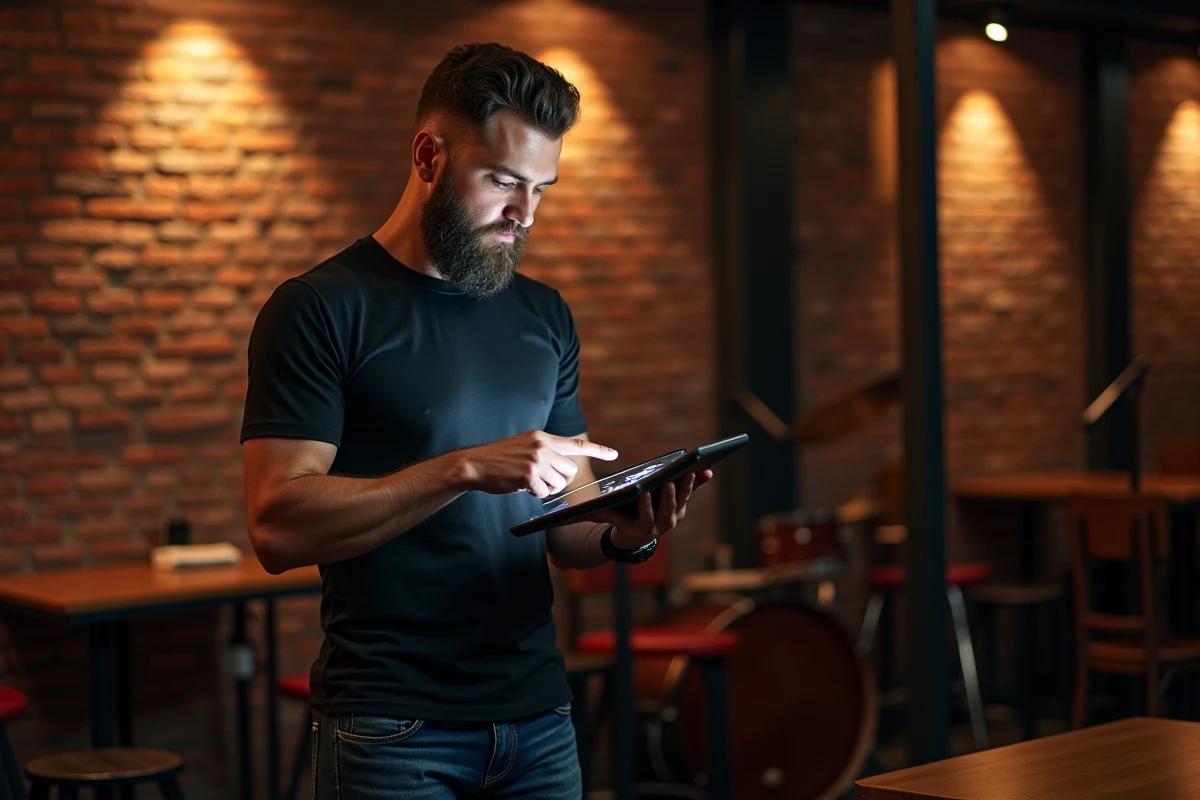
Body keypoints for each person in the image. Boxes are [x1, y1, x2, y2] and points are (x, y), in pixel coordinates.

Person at [240, 42, 712, 799]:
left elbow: (566, 524)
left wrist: (624, 532)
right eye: (503, 181)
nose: (525, 214)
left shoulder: (543, 314)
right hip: (391, 729)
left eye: (542, 188)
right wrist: (464, 466)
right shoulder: (320, 309)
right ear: (429, 155)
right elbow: (276, 526)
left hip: (539, 719)